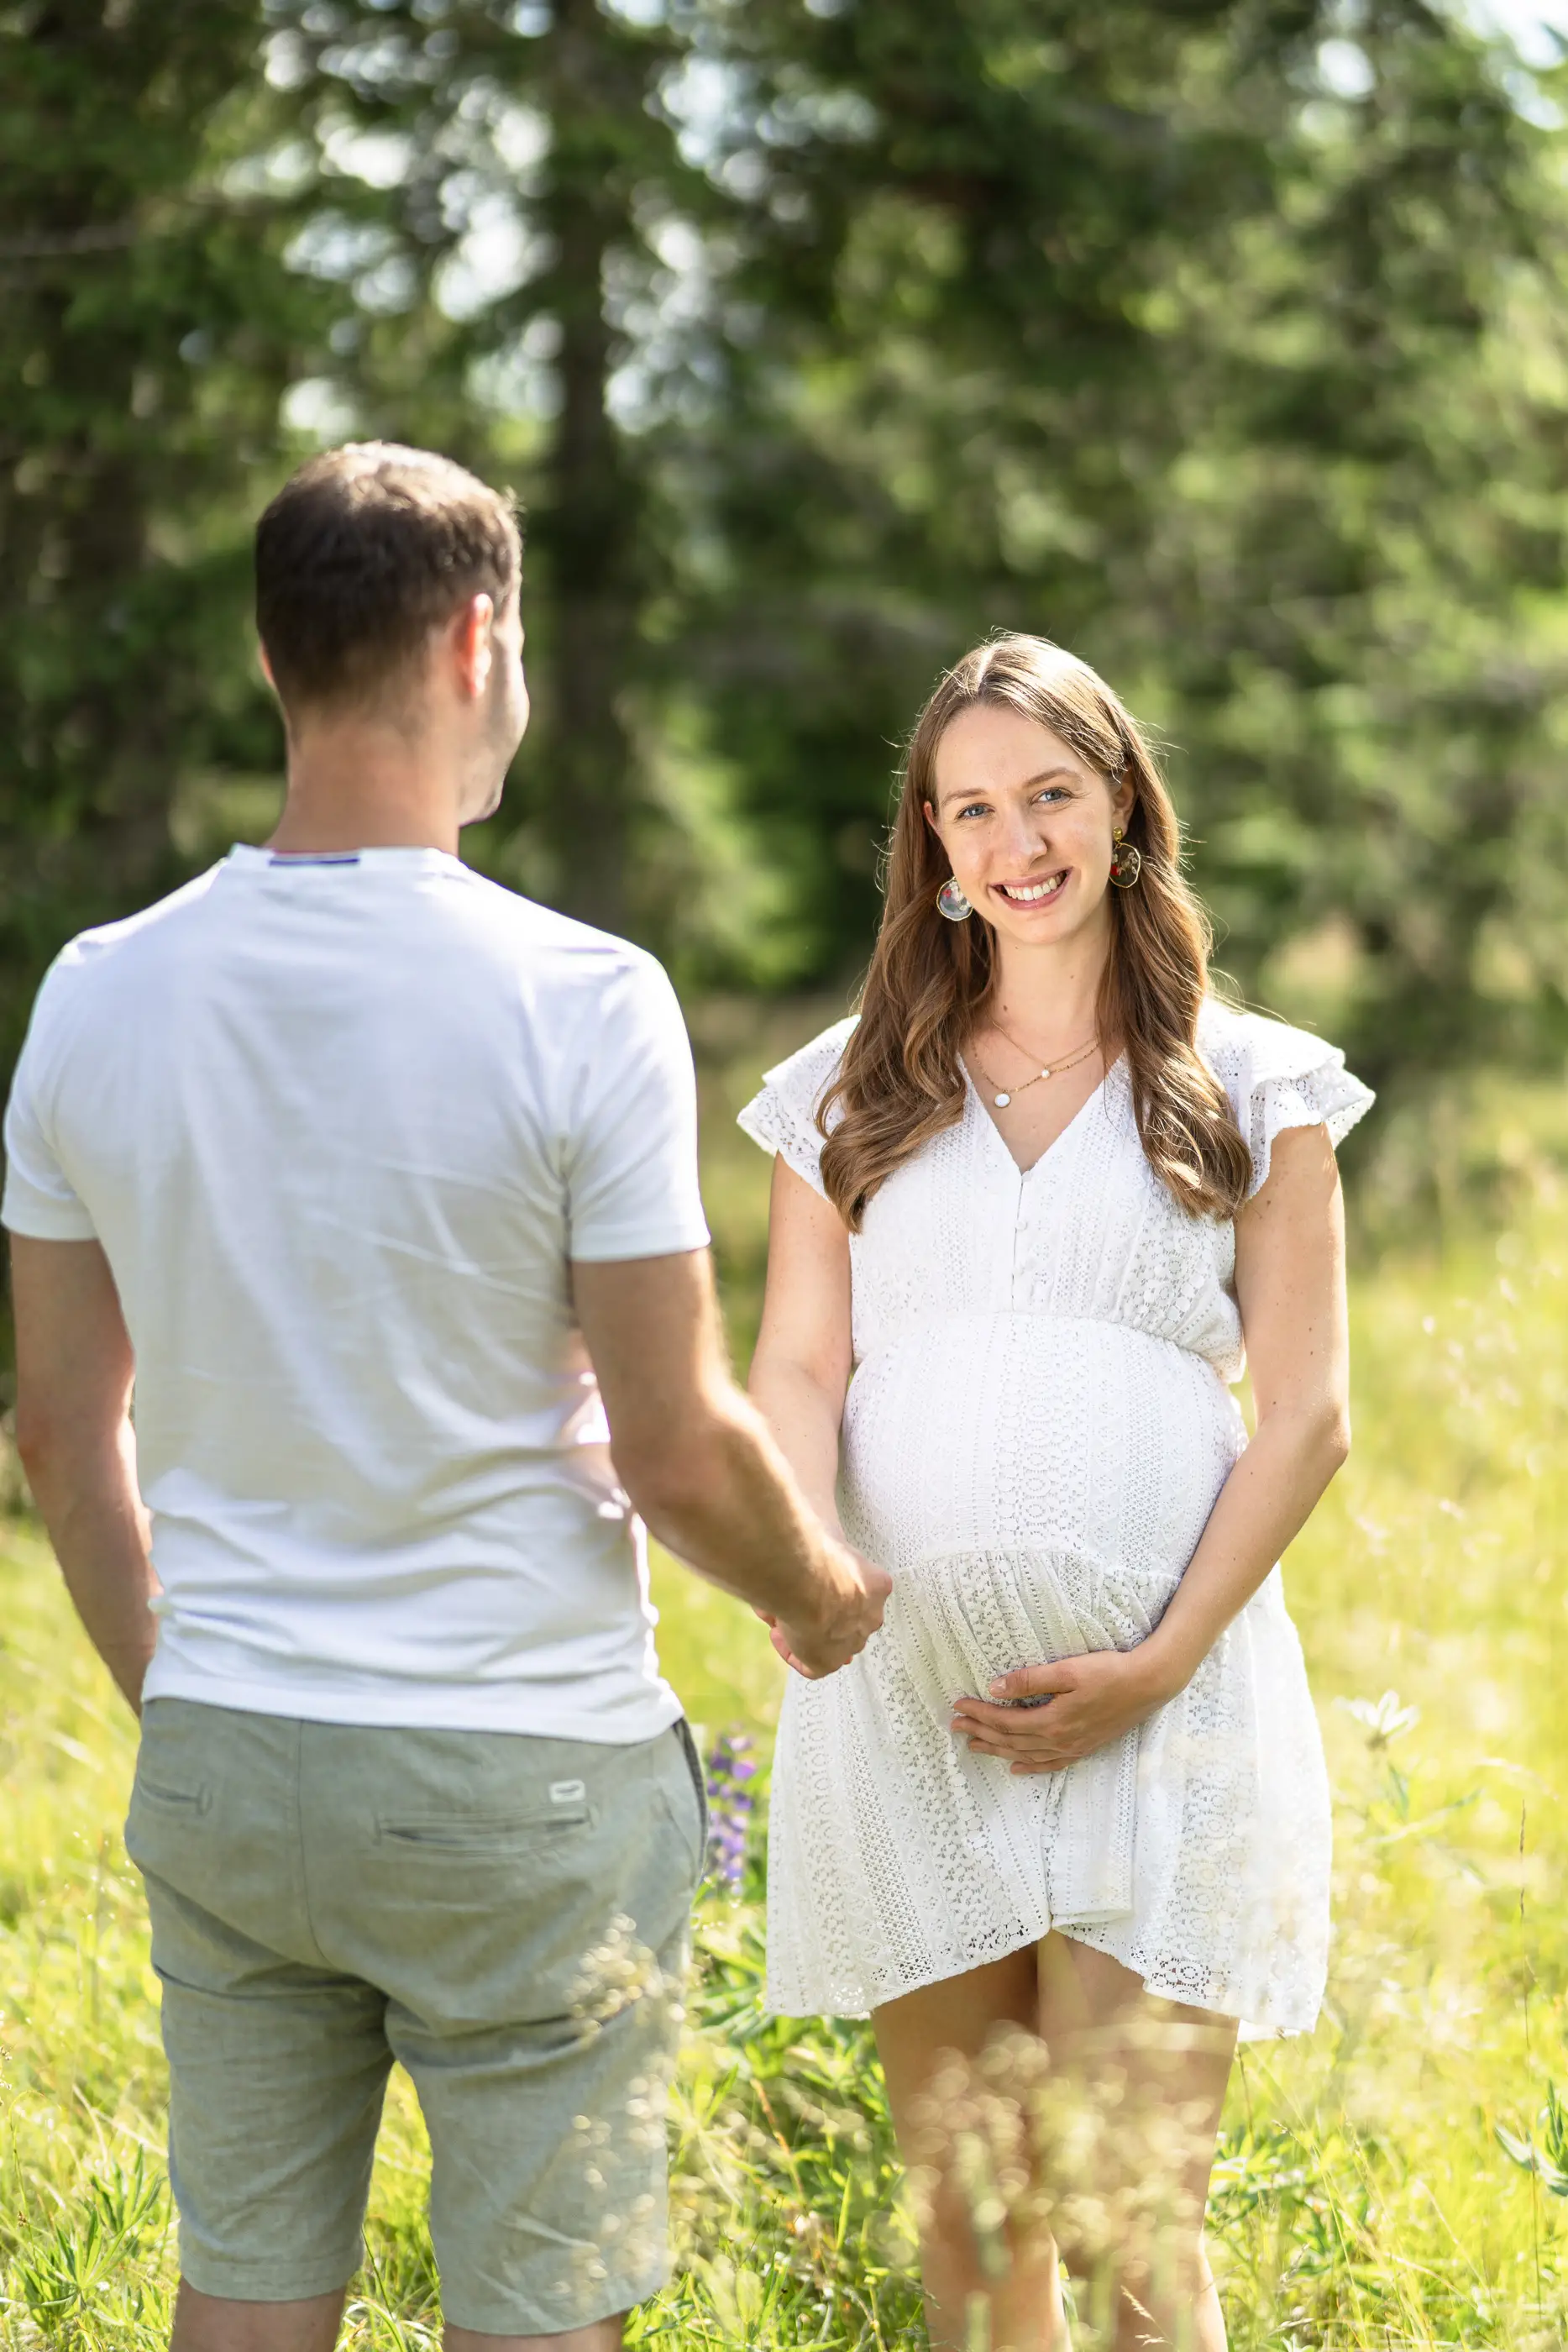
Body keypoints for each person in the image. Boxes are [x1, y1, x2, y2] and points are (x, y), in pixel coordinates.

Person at [3, 441, 888, 2352]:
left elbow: (62, 1433)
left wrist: (194, 1687)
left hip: (228, 1754)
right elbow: (674, 1444)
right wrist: (825, 1603)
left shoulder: (95, 989)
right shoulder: (582, 997)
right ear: (480, 640)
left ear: (271, 656)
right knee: (534, 2313)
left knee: (241, 2292)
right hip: (519, 1771)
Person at [739, 635, 1372, 2352]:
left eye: (1051, 796)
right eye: (973, 810)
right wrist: (806, 1560)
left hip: (1163, 1712)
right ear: (932, 849)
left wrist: (1157, 1664)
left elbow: (1308, 1416)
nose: (1017, 842)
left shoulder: (1254, 1084)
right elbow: (794, 1366)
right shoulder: (844, 1090)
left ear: (1124, 811)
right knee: (975, 2231)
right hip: (906, 1712)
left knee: (1129, 2233)